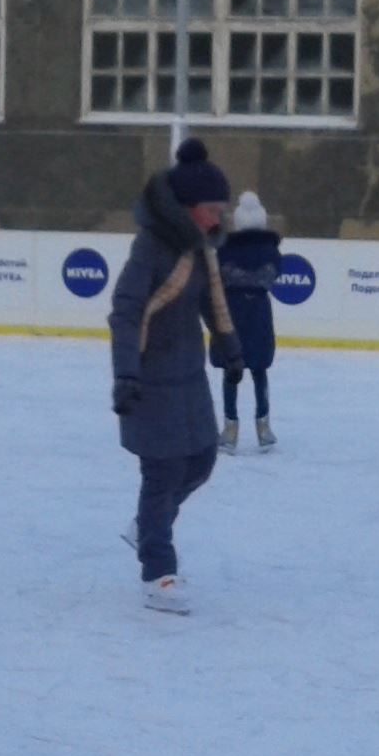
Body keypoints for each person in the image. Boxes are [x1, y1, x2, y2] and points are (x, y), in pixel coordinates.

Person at [109, 140, 243, 614]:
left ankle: (149, 525)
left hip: (188, 374)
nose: (219, 218)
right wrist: (125, 374)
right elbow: (126, 312)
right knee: (162, 472)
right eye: (212, 209)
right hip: (149, 377)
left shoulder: (199, 247)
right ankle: (158, 574)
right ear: (188, 208)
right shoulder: (150, 248)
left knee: (202, 460)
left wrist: (229, 346)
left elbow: (211, 299)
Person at [216, 191, 282, 452]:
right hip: (256, 311)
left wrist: (236, 279)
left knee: (234, 369)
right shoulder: (270, 251)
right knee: (257, 369)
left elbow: (221, 274)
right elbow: (270, 276)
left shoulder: (225, 250)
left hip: (234, 310)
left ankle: (231, 429)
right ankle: (262, 427)